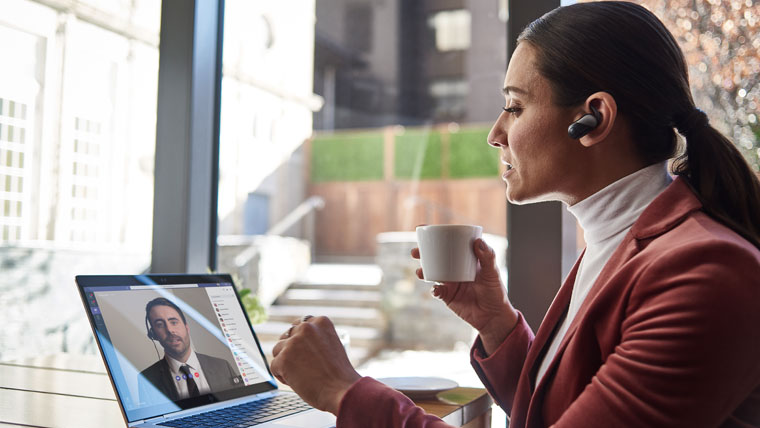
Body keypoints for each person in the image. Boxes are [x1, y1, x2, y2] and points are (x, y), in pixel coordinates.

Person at [269, 2, 760, 427]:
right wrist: (497, 325)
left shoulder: (702, 273)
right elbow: (569, 408)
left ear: (594, 119)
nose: (495, 133)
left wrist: (345, 391)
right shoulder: (622, 243)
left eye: (515, 106)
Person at [138, 297, 241, 402]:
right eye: (159, 325)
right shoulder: (146, 380)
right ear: (153, 334)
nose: (170, 330)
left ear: (186, 327)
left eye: (173, 322)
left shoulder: (223, 366)